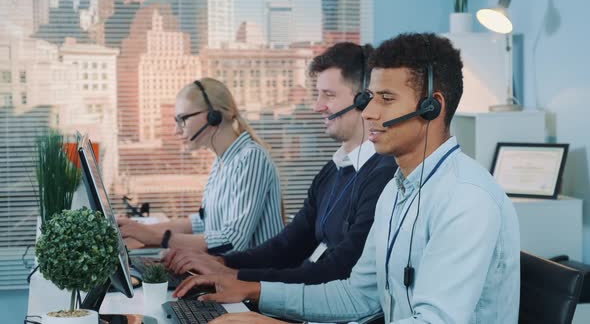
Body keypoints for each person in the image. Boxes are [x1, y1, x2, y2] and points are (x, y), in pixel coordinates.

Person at [174, 33, 521, 324]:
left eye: (386, 99)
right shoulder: (398, 191)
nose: (368, 112)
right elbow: (357, 295)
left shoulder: (467, 199)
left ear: (433, 107)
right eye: (369, 98)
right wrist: (254, 291)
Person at [163, 42, 397, 285]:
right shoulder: (332, 171)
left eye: (328, 95)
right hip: (302, 295)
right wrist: (223, 264)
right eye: (317, 95)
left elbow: (336, 271)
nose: (317, 106)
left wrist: (237, 278)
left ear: (363, 100)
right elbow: (288, 245)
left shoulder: (382, 178)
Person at [117, 78, 284, 254]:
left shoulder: (251, 158)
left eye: (182, 119)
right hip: (229, 270)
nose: (176, 130)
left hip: (255, 277)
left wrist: (158, 238)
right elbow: (204, 222)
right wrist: (138, 230)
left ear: (213, 117)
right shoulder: (222, 161)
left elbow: (231, 241)